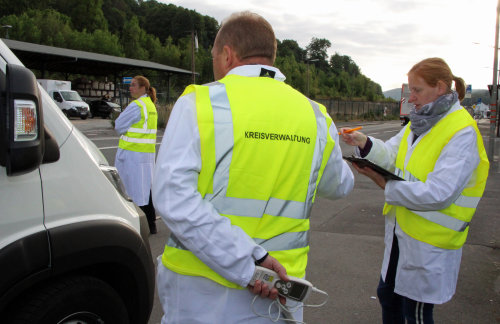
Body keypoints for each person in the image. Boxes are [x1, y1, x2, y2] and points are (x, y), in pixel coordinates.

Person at [152, 11, 354, 323]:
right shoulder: (315, 116)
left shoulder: (200, 103)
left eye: (214, 58)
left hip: (202, 292)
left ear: (227, 54)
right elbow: (339, 185)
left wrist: (249, 264)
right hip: (282, 292)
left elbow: (173, 198)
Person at [340, 57, 489, 323]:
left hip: (429, 243)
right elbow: (392, 153)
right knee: (388, 296)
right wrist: (364, 143)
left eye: (417, 90)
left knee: (416, 314)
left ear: (440, 87)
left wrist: (386, 184)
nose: (411, 98)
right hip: (402, 233)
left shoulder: (462, 131)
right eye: (410, 91)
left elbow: (439, 193)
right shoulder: (420, 122)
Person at [115, 75, 158, 234]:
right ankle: (151, 224)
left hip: (132, 155)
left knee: (132, 191)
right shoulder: (151, 106)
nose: (130, 88)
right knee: (145, 191)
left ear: (142, 88)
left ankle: (140, 225)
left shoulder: (137, 105)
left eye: (133, 85)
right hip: (145, 155)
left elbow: (119, 126)